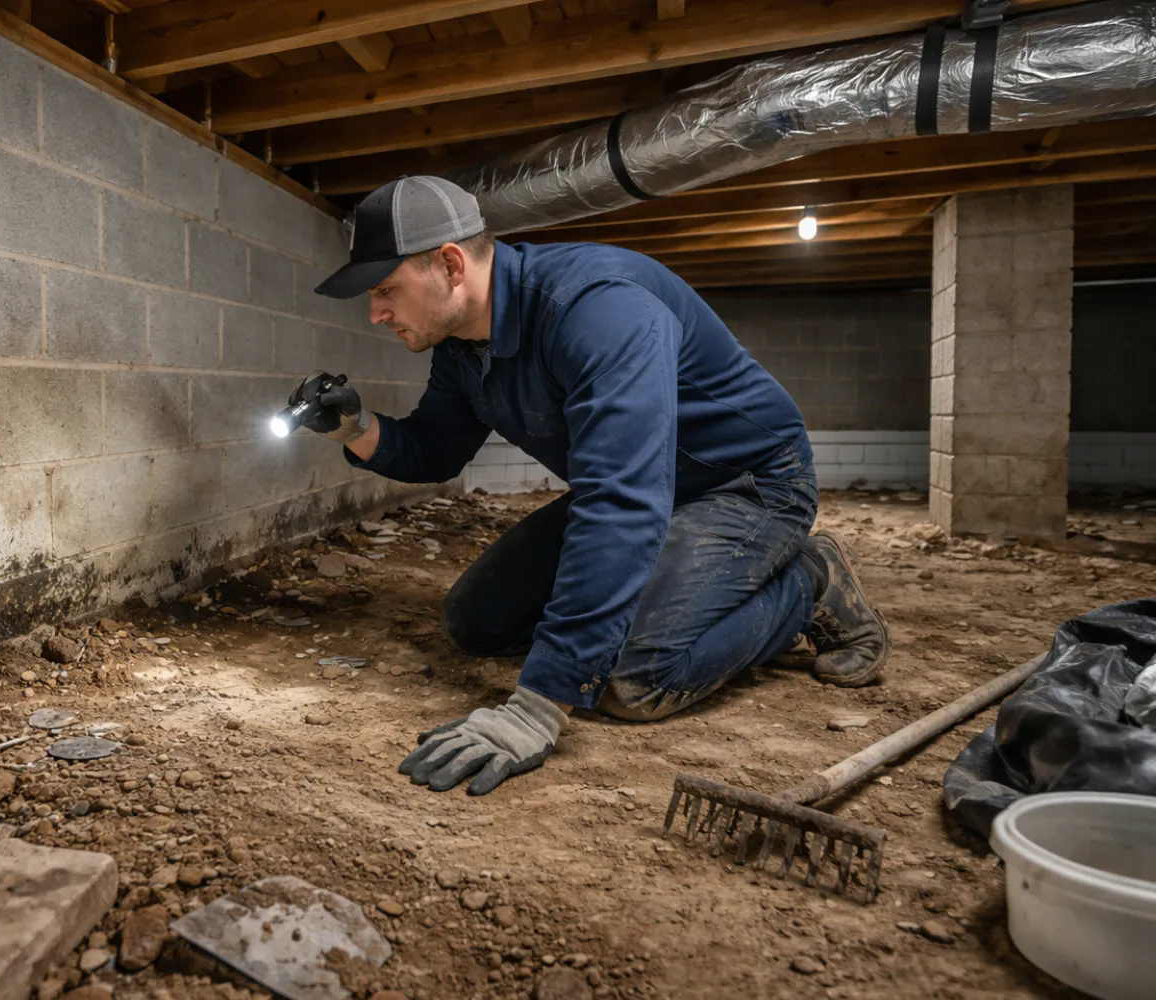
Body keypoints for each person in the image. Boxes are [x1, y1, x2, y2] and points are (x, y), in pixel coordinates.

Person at [288, 175, 891, 796]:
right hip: (648, 486)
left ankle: (807, 582)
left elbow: (621, 504)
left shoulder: (599, 308)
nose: (376, 312)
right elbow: (438, 448)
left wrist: (539, 705)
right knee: (477, 623)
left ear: (450, 265)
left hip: (746, 486)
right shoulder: (462, 346)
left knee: (632, 677)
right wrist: (353, 428)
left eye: (387, 290)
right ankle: (675, 587)